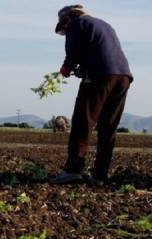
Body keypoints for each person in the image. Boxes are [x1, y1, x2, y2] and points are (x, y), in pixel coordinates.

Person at [51, 5, 133, 184]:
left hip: (100, 75)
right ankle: (100, 175)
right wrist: (83, 68)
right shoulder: (103, 25)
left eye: (64, 28)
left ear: (68, 19)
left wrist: (66, 68)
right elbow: (100, 51)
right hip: (123, 76)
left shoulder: (76, 24)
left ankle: (73, 170)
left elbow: (73, 53)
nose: (65, 31)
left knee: (83, 121)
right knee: (108, 127)